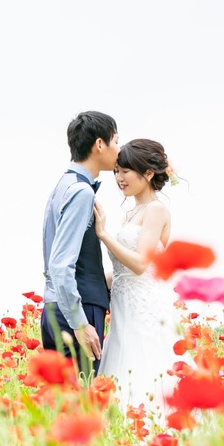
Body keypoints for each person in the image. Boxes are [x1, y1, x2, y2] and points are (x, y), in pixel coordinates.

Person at [93, 138, 188, 412]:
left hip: (145, 307)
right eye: (116, 172)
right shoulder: (131, 213)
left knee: (144, 367)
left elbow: (140, 265)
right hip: (123, 308)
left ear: (148, 173)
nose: (119, 178)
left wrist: (103, 234)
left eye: (125, 171)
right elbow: (122, 271)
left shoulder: (156, 210)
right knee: (123, 369)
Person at [41, 111, 120, 376]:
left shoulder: (63, 185)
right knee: (81, 405)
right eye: (116, 141)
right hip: (78, 310)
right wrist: (80, 323)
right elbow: (61, 264)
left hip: (53, 309)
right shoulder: (81, 191)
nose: (118, 150)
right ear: (100, 144)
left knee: (60, 405)